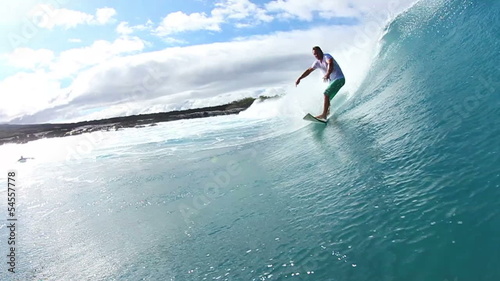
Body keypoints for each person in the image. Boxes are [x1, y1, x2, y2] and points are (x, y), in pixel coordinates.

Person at [295, 46, 345, 120]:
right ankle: (327, 113)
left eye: (317, 53)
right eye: (314, 54)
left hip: (339, 79)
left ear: (321, 51)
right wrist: (300, 78)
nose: (316, 55)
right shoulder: (317, 63)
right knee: (327, 99)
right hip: (334, 81)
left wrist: (327, 74)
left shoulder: (327, 56)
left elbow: (330, 64)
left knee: (326, 93)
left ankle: (324, 115)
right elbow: (309, 70)